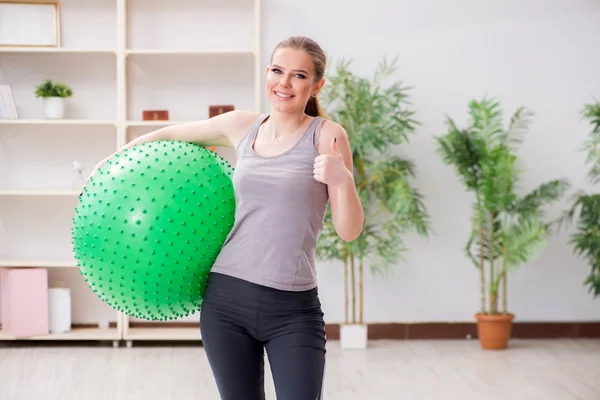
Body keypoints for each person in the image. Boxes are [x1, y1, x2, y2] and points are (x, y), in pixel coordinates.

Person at [88, 36, 364, 399]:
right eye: (277, 71)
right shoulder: (241, 125)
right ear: (267, 72)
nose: (284, 83)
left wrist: (341, 180)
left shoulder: (327, 136)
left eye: (298, 75)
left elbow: (349, 231)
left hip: (293, 309)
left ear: (316, 85)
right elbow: (170, 135)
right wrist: (112, 162)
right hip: (226, 301)